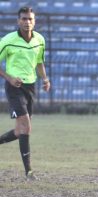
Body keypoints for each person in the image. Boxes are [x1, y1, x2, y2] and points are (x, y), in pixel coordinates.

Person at [0, 7, 51, 180]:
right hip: (14, 88)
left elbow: (39, 62)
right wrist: (9, 78)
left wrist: (45, 79)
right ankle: (29, 171)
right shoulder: (8, 40)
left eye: (30, 19)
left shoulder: (40, 40)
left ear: (34, 21)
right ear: (18, 21)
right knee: (26, 126)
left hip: (31, 87)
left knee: (19, 131)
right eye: (23, 19)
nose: (27, 22)